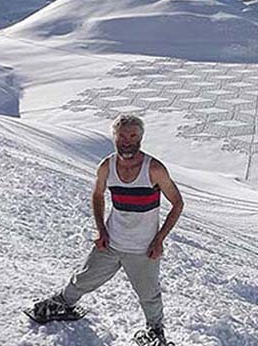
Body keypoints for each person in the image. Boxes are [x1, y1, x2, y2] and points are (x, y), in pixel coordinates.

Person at [28, 114, 184, 345]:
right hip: (111, 242)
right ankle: (62, 304)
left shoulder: (154, 169)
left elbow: (177, 203)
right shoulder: (107, 166)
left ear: (140, 138)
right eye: (122, 136)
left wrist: (159, 239)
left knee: (149, 295)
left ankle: (155, 331)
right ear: (114, 137)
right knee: (83, 278)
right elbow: (97, 195)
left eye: (133, 136)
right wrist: (101, 230)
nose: (127, 141)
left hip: (143, 248)